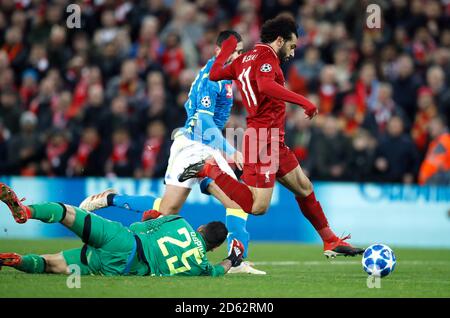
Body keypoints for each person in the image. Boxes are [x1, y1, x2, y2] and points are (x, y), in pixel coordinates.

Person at [79, 31, 265, 274]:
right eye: (234, 51)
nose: (238, 56)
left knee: (167, 210)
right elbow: (203, 121)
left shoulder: (224, 75)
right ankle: (236, 260)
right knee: (240, 202)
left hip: (190, 145)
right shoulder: (213, 76)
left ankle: (109, 199)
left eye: (241, 51)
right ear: (219, 50)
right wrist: (230, 149)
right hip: (197, 145)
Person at [179, 14, 364, 258]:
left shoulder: (244, 59)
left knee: (304, 187)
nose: (293, 52)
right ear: (279, 40)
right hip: (262, 141)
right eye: (292, 45)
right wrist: (304, 101)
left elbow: (215, 73)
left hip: (272, 139)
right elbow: (265, 85)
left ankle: (329, 240)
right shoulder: (266, 57)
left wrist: (225, 51)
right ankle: (209, 170)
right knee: (258, 207)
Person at [0, 183, 244, 277]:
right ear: (212, 247)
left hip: (123, 242)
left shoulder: (178, 222)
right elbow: (216, 272)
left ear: (201, 227)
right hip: (122, 269)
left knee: (67, 212)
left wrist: (148, 219)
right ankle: (18, 261)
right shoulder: (200, 266)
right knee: (50, 264)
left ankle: (26, 211)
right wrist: (232, 259)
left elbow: (139, 227)